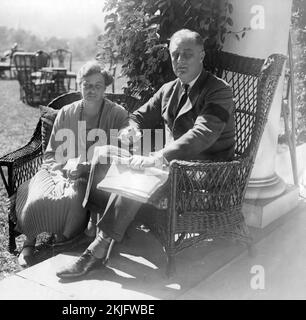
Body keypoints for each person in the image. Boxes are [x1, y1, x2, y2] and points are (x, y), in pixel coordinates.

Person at [56, 28, 236, 279]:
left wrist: (157, 157)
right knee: (105, 152)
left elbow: (203, 134)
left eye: (188, 55)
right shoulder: (169, 89)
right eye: (175, 55)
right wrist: (132, 130)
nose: (180, 61)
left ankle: (98, 249)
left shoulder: (218, 90)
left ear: (202, 55)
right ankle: (102, 228)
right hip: (172, 165)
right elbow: (138, 116)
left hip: (205, 171)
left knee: (138, 173)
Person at [15, 61, 130, 267]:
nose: (92, 90)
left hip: (93, 177)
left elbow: (123, 148)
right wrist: (60, 173)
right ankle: (29, 242)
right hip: (57, 170)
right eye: (86, 85)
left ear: (105, 88)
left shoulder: (117, 113)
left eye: (97, 85)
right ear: (79, 85)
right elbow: (51, 153)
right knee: (35, 199)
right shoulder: (66, 112)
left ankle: (63, 241)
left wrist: (84, 166)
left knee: (74, 198)